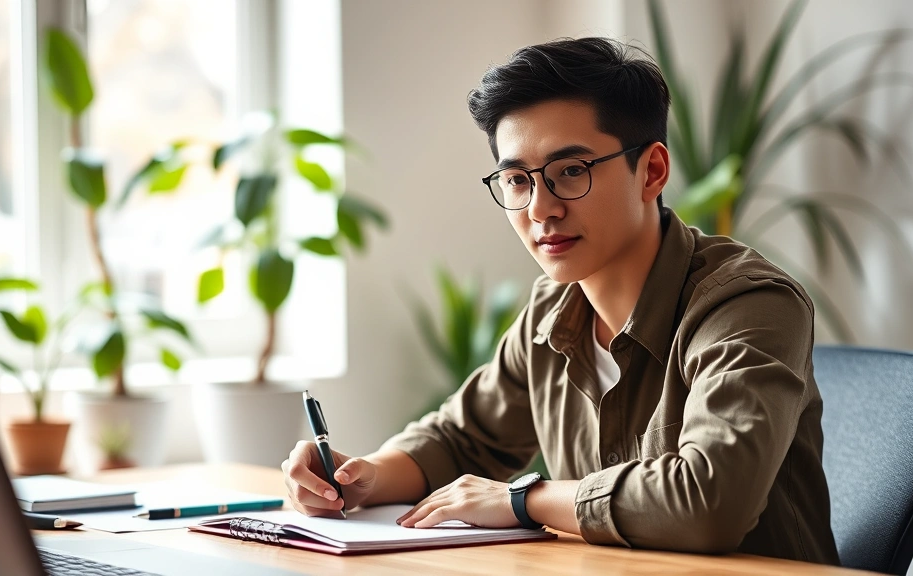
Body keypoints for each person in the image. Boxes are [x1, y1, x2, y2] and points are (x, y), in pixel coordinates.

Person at [281, 37, 840, 565]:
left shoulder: (749, 304)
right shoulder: (553, 307)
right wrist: (359, 478)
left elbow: (709, 502)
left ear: (652, 171)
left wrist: (523, 499)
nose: (541, 208)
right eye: (518, 180)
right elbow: (461, 439)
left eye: (570, 171)